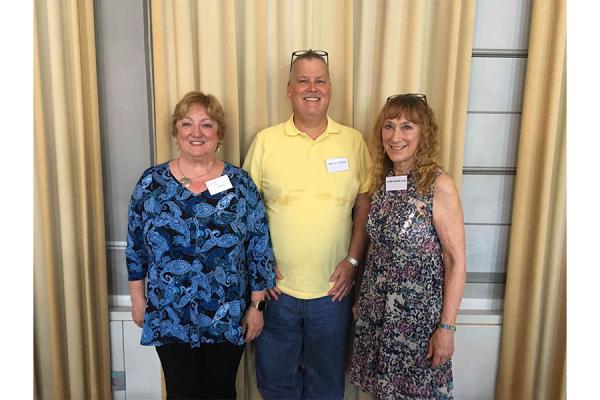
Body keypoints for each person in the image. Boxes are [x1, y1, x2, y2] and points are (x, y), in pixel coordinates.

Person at [126, 91, 275, 400]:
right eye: (187, 123)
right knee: (181, 392)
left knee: (221, 391)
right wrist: (137, 298)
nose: (196, 133)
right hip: (169, 313)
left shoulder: (240, 184)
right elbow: (136, 246)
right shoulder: (150, 183)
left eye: (206, 125)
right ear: (176, 131)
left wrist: (256, 306)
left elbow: (259, 247)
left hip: (227, 313)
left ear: (219, 133)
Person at [243, 49, 371, 400]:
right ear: (289, 89)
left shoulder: (353, 141)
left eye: (320, 81)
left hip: (333, 294)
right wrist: (261, 269)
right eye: (303, 80)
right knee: (276, 386)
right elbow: (247, 215)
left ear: (330, 88)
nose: (312, 88)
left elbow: (364, 204)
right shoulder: (266, 142)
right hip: (277, 295)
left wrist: (353, 261)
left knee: (327, 388)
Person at [349, 93, 466, 399]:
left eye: (407, 127)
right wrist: (363, 296)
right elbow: (379, 249)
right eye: (389, 126)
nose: (395, 136)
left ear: (423, 133)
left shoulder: (438, 185)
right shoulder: (383, 181)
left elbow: (455, 260)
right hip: (377, 314)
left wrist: (447, 328)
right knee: (382, 392)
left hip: (418, 323)